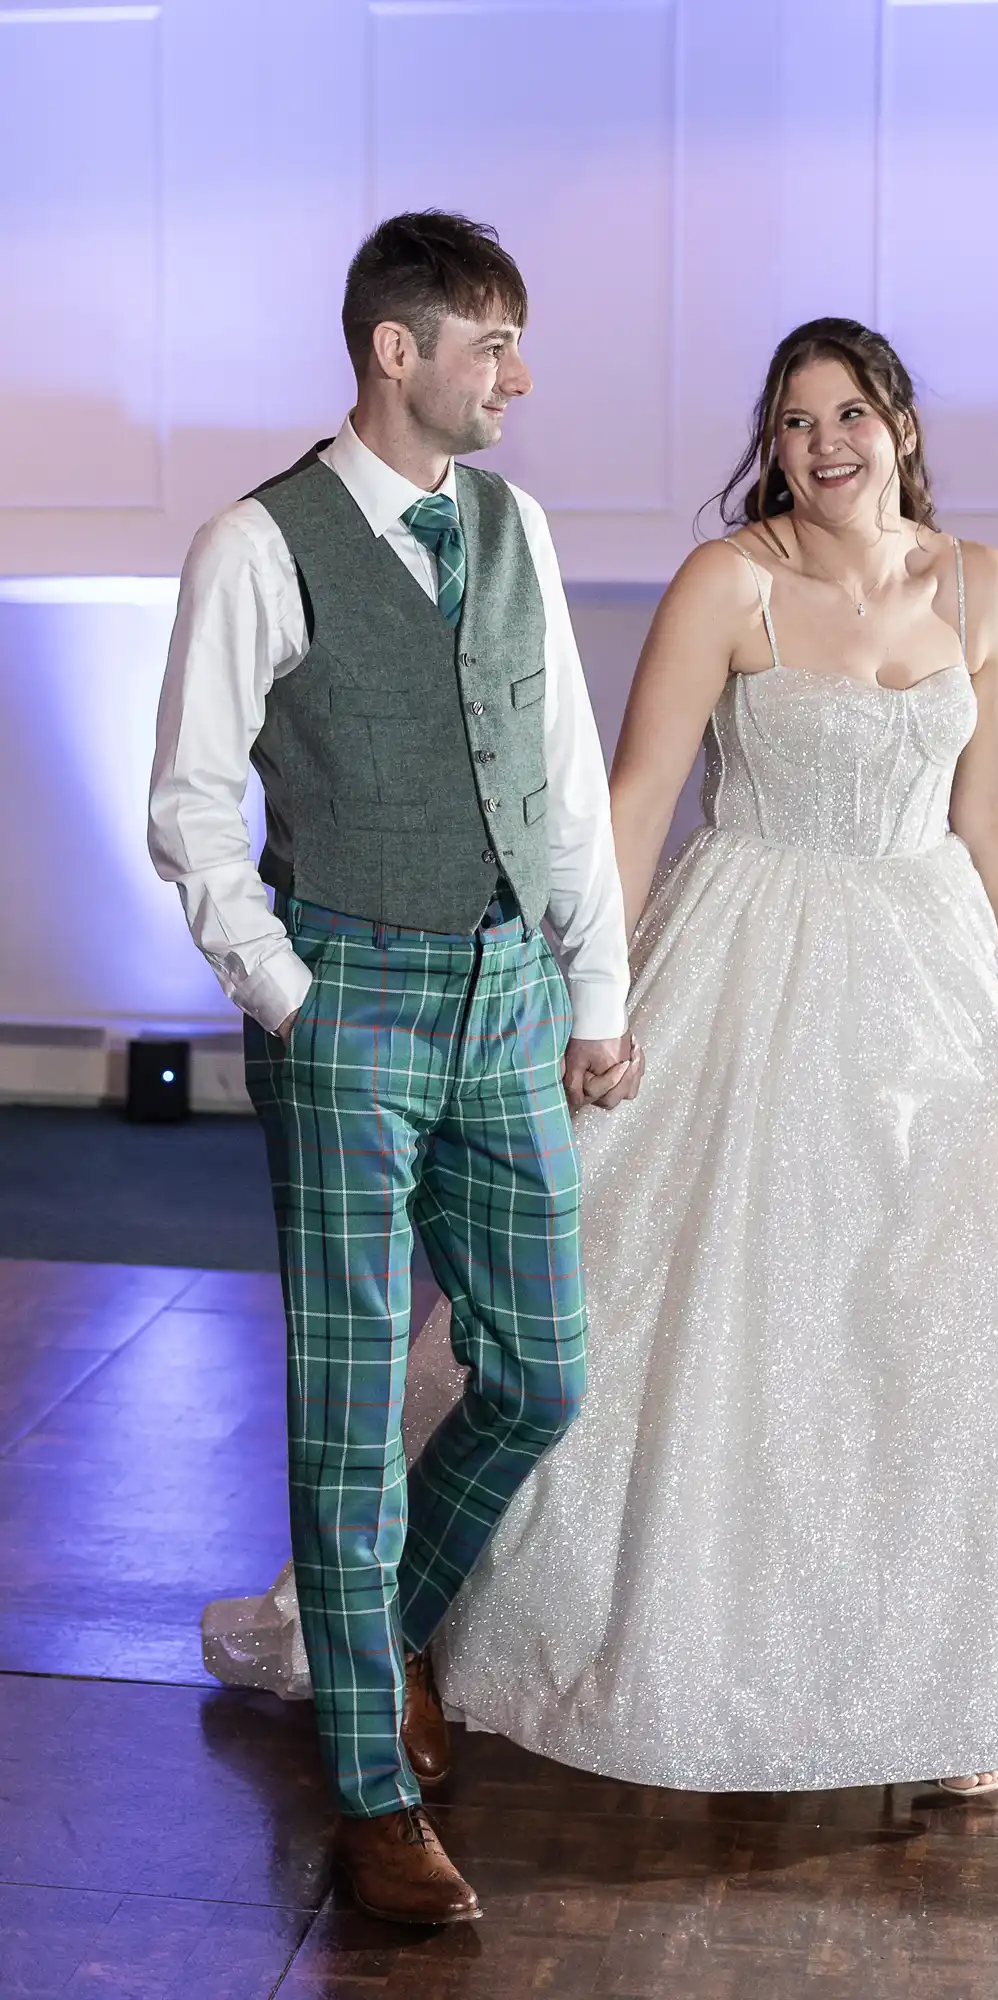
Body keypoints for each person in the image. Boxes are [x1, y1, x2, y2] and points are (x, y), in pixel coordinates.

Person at [205, 316, 998, 1804]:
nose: (826, 442)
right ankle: (412, 1621)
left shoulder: (981, 585)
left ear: (903, 428)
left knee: (941, 1328)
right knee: (689, 1308)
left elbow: (997, 806)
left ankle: (949, 1686)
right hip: (750, 952)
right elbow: (632, 796)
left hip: (930, 972)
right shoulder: (730, 580)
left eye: (852, 413)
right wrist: (576, 988)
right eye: (798, 419)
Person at [150, 210, 640, 1925]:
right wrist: (291, 999)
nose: (518, 374)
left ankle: (377, 1641)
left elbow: (562, 772)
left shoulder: (513, 524)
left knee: (542, 1375)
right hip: (344, 996)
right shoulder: (258, 542)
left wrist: (597, 986)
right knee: (351, 1413)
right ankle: (371, 1784)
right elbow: (193, 806)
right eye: (491, 343)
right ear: (396, 351)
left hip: (508, 992)